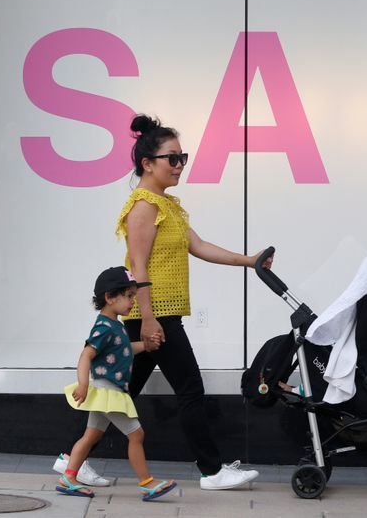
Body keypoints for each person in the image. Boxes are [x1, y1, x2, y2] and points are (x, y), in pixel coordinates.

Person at [116, 114, 272, 490]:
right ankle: (212, 471)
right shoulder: (143, 207)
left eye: (182, 157)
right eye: (172, 158)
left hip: (158, 315)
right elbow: (137, 267)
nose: (179, 165)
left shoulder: (166, 205)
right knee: (190, 391)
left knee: (120, 392)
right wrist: (150, 319)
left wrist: (249, 260)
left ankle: (70, 459)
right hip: (154, 316)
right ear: (147, 163)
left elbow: (198, 246)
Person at [57, 266, 176, 501]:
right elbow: (85, 355)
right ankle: (147, 483)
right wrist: (82, 384)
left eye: (133, 296)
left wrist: (146, 347)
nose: (133, 301)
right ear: (110, 297)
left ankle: (69, 477)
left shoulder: (115, 326)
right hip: (108, 390)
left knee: (91, 436)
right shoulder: (103, 327)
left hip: (110, 391)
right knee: (136, 435)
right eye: (128, 296)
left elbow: (124, 349)